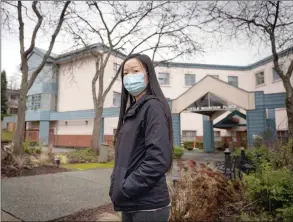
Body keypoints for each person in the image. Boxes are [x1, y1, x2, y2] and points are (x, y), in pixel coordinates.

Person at [109, 54, 173, 222]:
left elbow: (158, 159)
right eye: (125, 73)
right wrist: (116, 183)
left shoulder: (153, 107)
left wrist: (125, 188)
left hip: (149, 205)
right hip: (131, 202)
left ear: (148, 75)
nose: (130, 77)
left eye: (135, 71)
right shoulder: (134, 110)